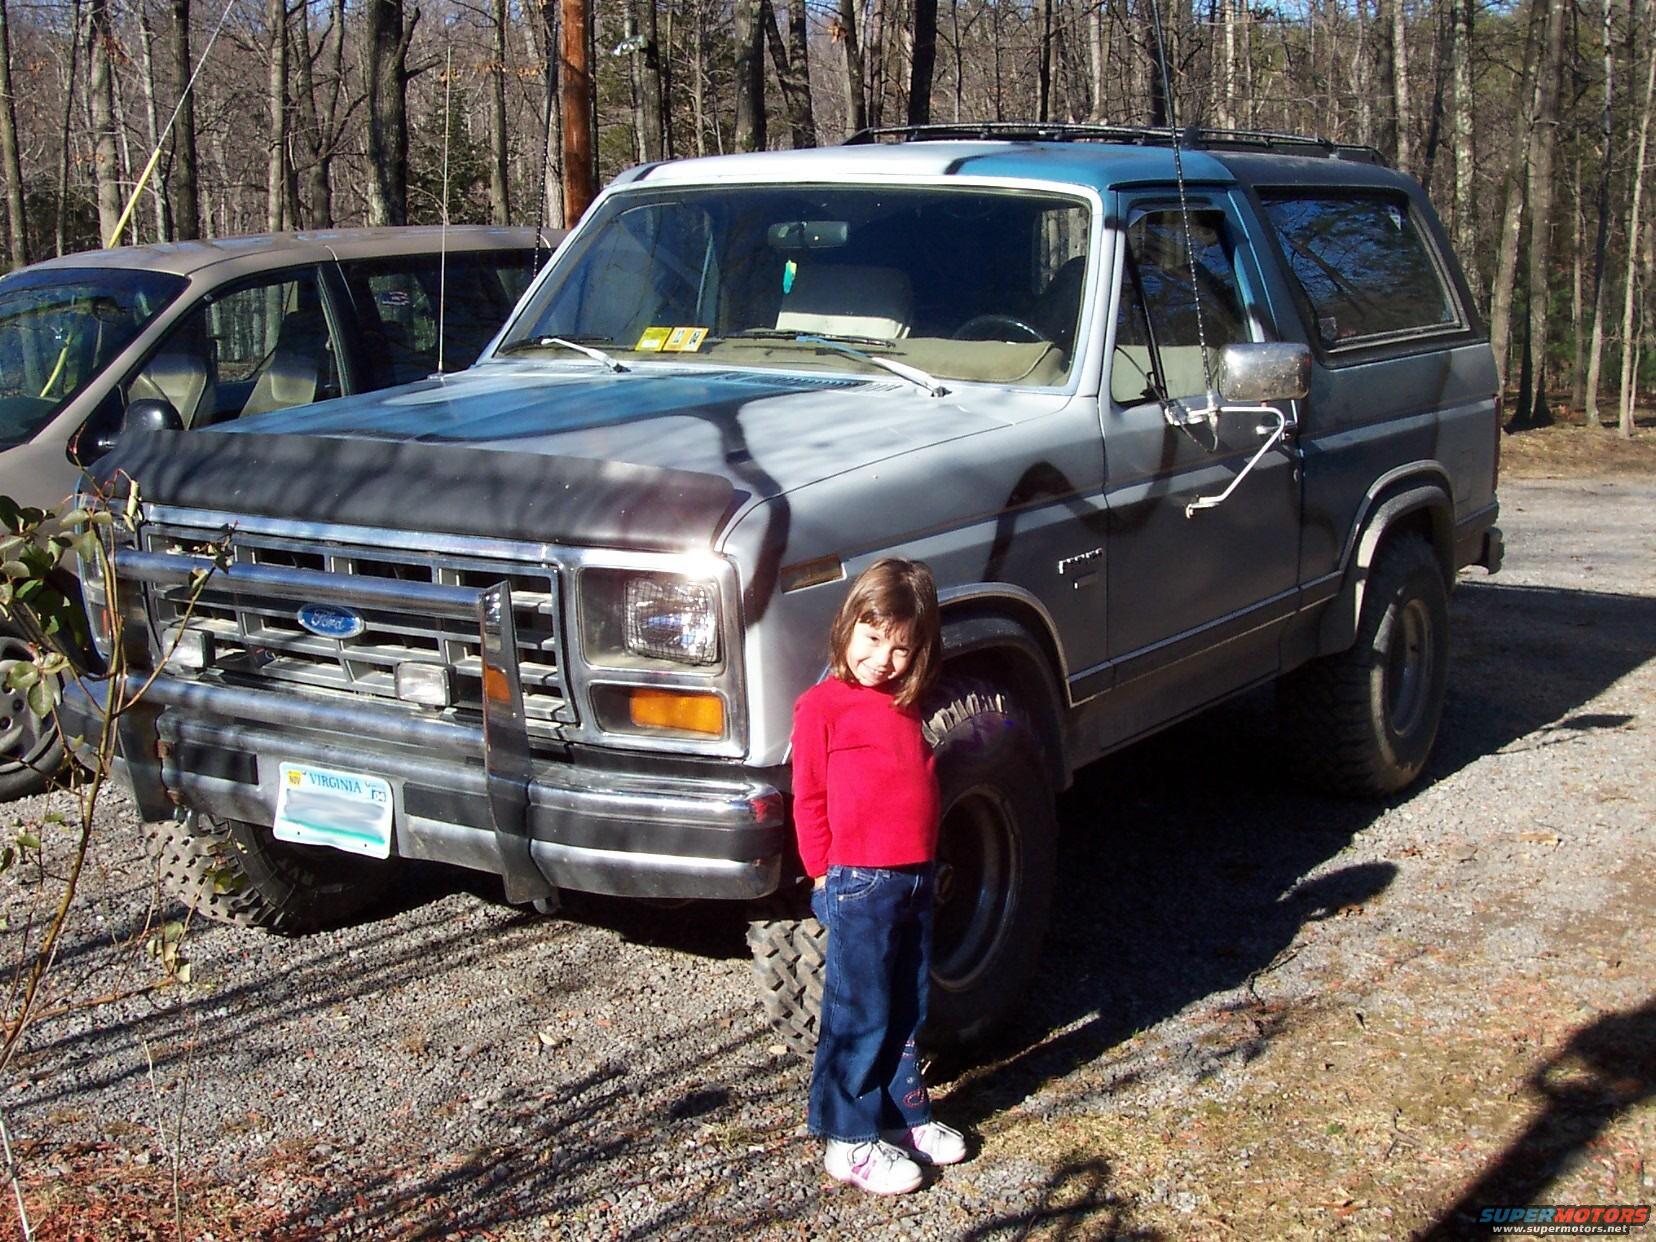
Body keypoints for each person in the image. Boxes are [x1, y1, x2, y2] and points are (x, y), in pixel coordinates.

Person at [791, 556, 968, 1195]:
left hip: (915, 877)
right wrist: (820, 875)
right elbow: (808, 798)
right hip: (858, 881)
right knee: (857, 1011)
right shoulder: (822, 707)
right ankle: (848, 1136)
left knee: (907, 1003)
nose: (882, 659)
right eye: (871, 639)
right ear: (847, 629)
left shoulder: (907, 703)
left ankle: (902, 1116)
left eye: (900, 647)